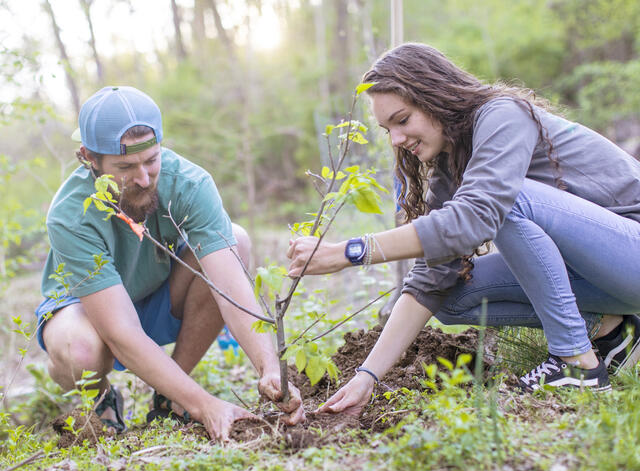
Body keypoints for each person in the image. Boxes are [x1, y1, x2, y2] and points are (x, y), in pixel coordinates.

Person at [287, 43, 640, 416]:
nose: (396, 139)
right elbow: (430, 277)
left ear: (435, 96)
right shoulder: (451, 165)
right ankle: (610, 332)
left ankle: (576, 363)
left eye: (402, 120)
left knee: (508, 199)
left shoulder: (502, 115)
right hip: (605, 275)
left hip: (630, 252)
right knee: (451, 292)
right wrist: (366, 377)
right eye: (387, 128)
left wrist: (350, 252)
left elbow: (476, 215)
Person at [36, 86, 304, 439]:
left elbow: (231, 287)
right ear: (89, 158)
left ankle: (170, 397)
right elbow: (120, 331)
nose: (144, 179)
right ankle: (102, 400)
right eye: (125, 167)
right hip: (89, 313)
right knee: (80, 351)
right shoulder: (70, 214)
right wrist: (206, 405)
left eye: (152, 160)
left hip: (157, 292)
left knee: (234, 241)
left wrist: (269, 367)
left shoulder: (189, 184)